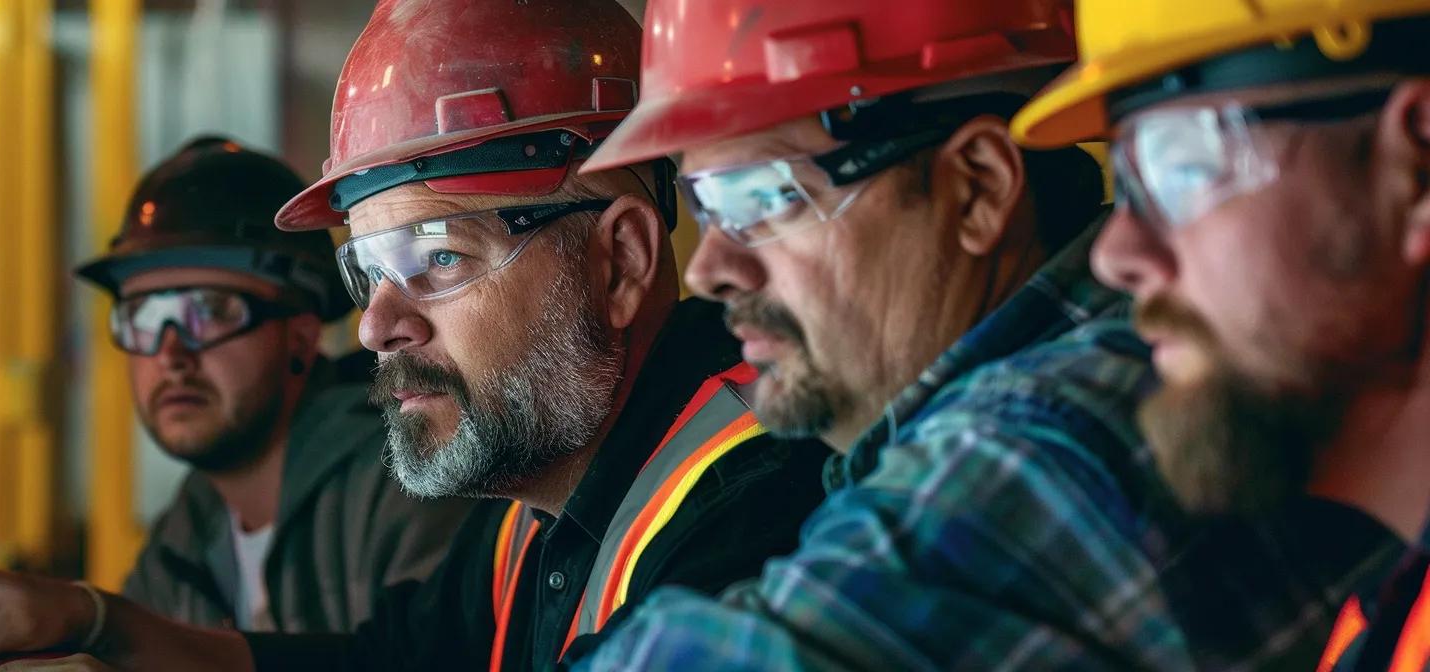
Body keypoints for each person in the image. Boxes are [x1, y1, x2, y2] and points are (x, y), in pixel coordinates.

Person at [0, 2, 828, 671]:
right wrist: (96, 625)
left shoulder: (763, 513)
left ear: (618, 262)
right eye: (367, 272)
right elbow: (384, 662)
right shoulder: (540, 496)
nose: (376, 325)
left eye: (439, 258)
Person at [567, 0, 1399, 669]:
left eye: (760, 199)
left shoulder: (1084, 430)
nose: (710, 267)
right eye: (706, 208)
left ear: (977, 190)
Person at [1009, 0, 1430, 668]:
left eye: (1184, 166)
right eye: (1125, 181)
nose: (1115, 252)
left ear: (1418, 167)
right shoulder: (1387, 624)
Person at [70, 136, 475, 635]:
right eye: (143, 317)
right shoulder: (187, 531)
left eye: (212, 312)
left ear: (301, 337)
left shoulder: (405, 479)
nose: (171, 355)